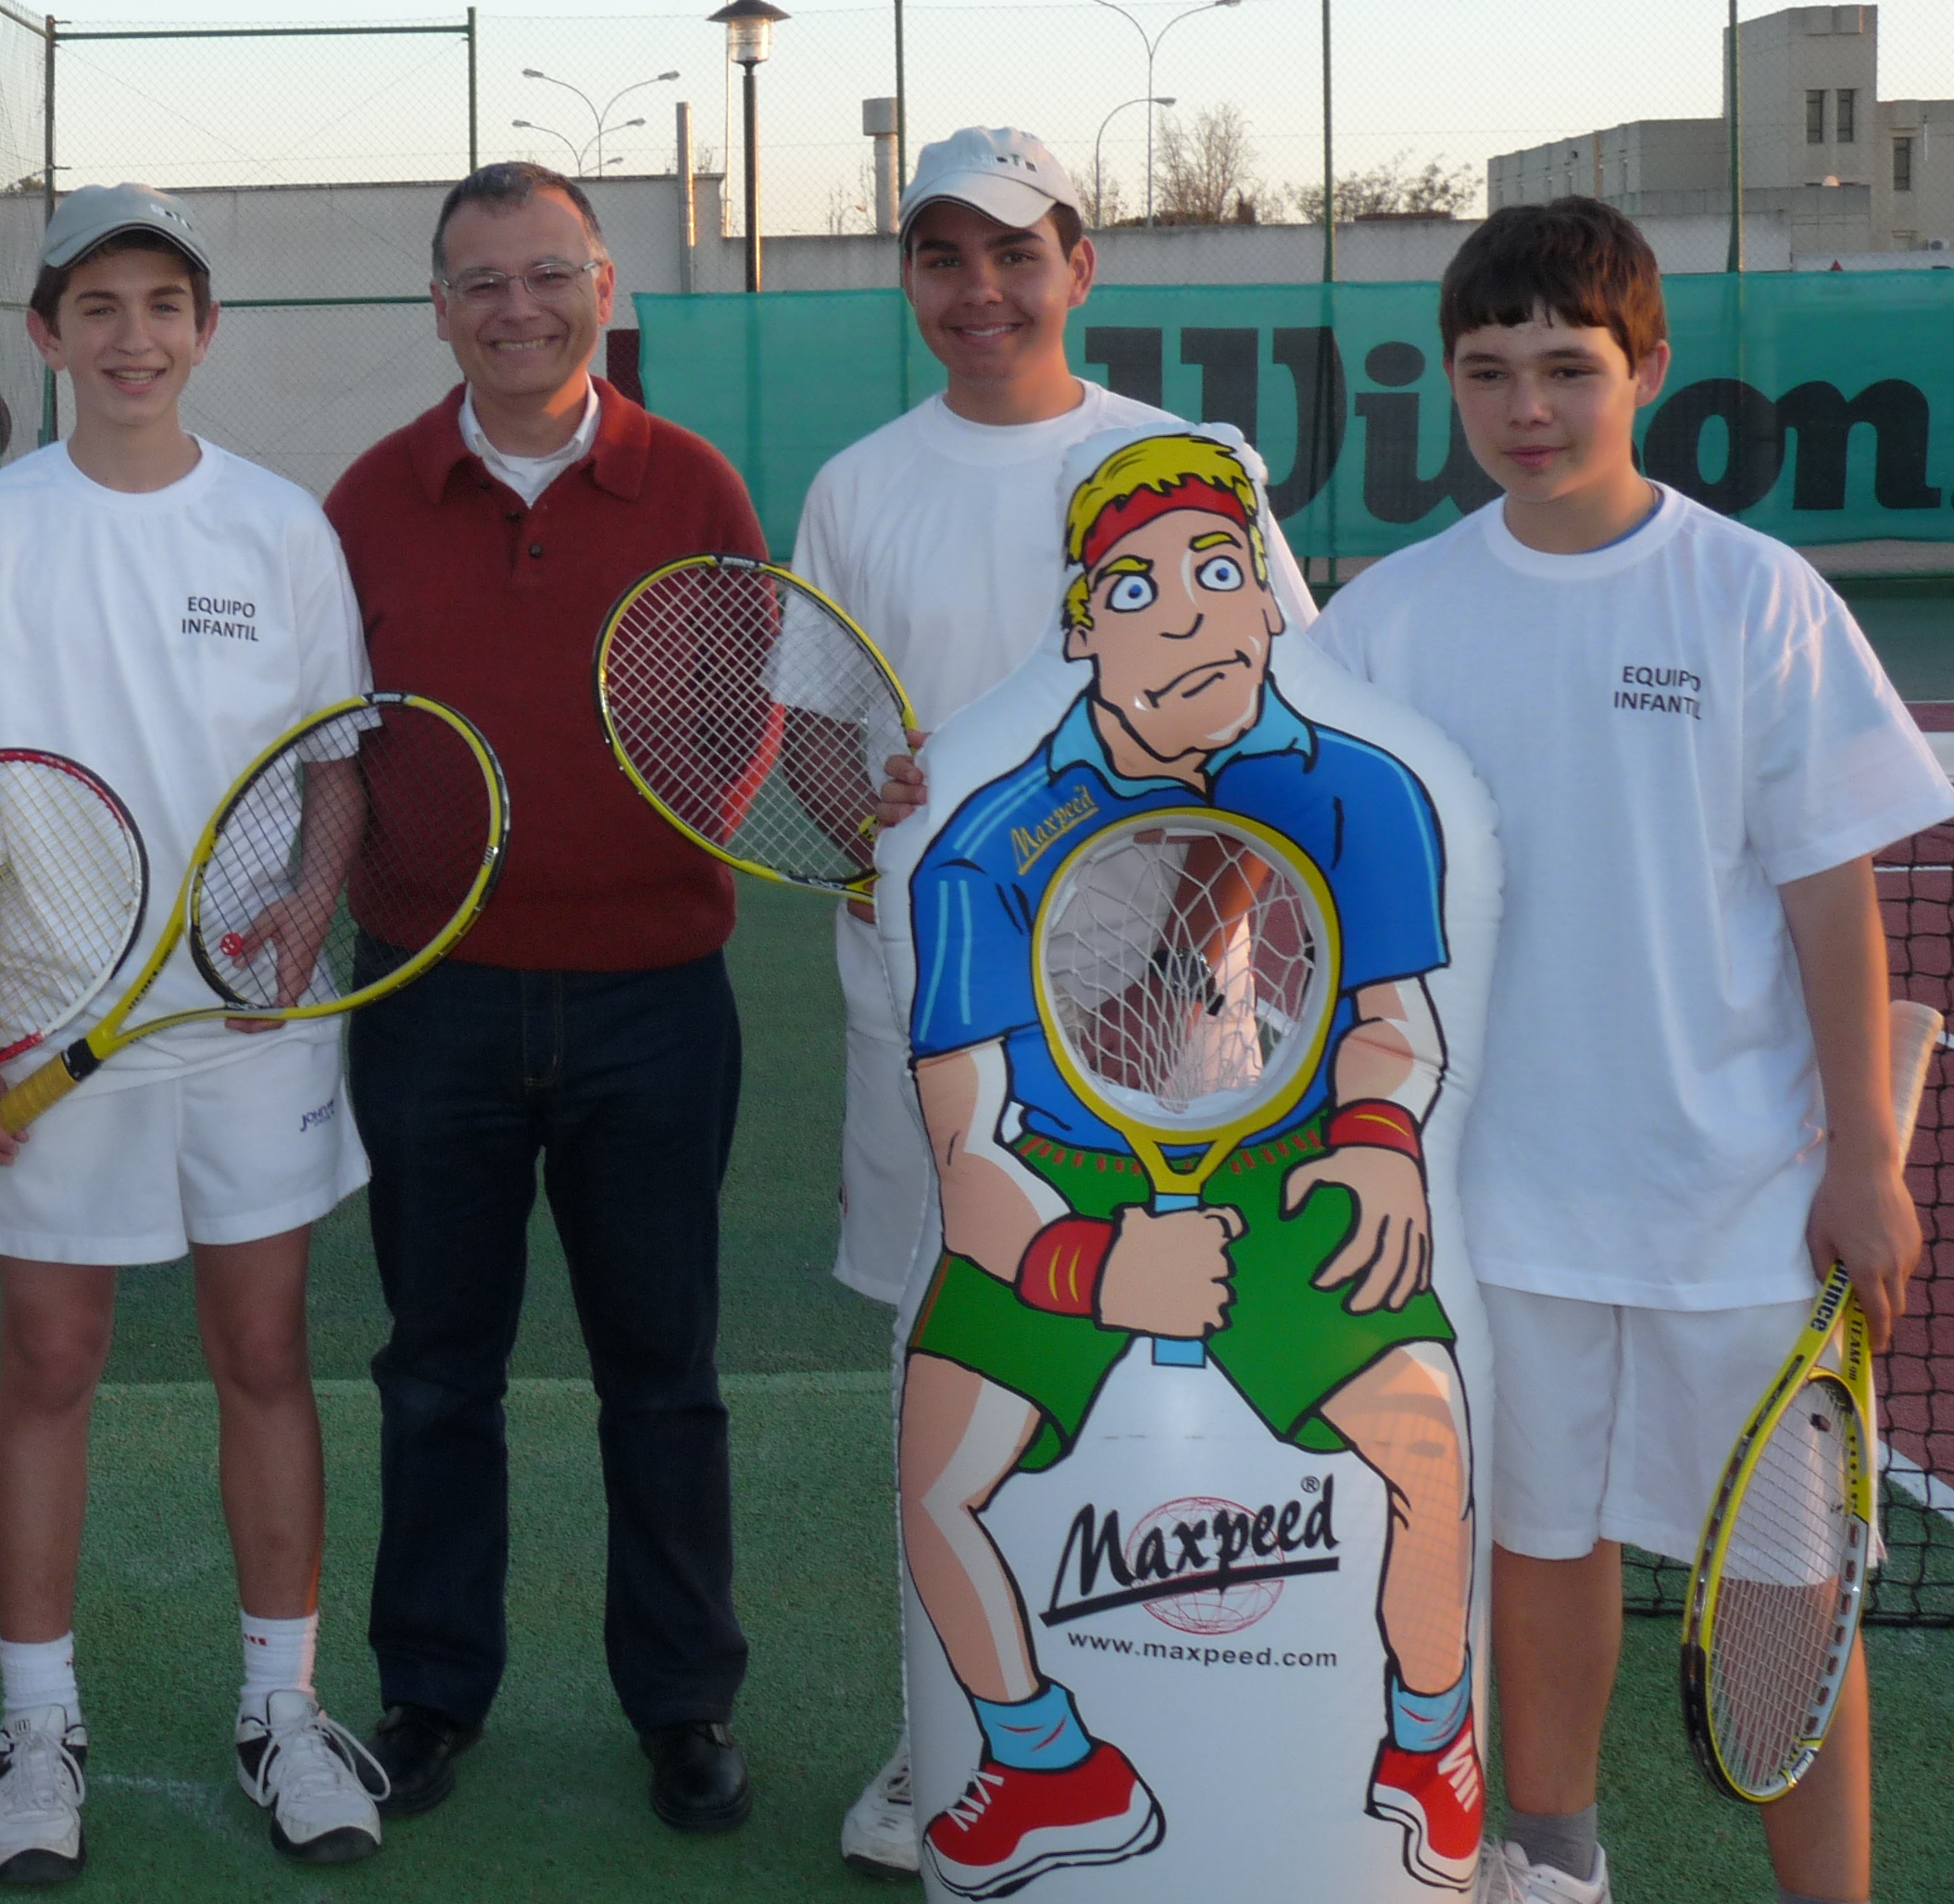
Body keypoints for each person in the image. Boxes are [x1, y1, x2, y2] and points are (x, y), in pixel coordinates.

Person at [1313, 198, 1950, 1904]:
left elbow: (1831, 905)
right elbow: (1290, 833)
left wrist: (1863, 1163)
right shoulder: (1389, 618)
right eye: (1488, 370)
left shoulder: (1755, 597)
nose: (1529, 406)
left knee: (1788, 1594)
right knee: (1536, 1547)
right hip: (1497, 1206)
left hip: (1734, 1210)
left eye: (1569, 368)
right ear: (1450, 383)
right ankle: (1556, 1864)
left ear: (1647, 371)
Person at [788, 125, 1316, 1875]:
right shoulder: (859, 485)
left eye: (1015, 253)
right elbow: (816, 739)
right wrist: (855, 811)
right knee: (957, 1376)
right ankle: (956, 1734)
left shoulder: (1191, 465)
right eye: (944, 257)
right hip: (934, 1032)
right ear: (911, 279)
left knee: (1190, 1378)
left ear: (1080, 267)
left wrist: (1180, 968)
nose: (981, 290)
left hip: (1182, 1038)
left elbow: (1280, 745)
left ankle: (1182, 1711)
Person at [898, 427, 1479, 1897]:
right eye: (1137, 588)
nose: (1190, 616)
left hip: (1291, 1159)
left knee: (1430, 1439)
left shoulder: (1363, 790)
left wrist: (1380, 1146)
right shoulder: (986, 840)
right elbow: (963, 1139)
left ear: (1268, 599)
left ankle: (1428, 1745)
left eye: (1221, 572)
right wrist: (1084, 1265)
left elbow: (1392, 1029)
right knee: (937, 1480)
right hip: (1067, 1182)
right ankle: (1047, 1767)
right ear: (1081, 630)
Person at [0, 183, 389, 1875]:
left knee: (265, 1354)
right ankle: (37, 1729)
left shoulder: (279, 527)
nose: (134, 338)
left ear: (205, 330)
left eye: (164, 306)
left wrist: (306, 914)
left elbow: (335, 766)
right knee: (50, 1366)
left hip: (252, 1028)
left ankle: (283, 1711)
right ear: (49, 334)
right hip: (49, 1036)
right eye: (98, 308)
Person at [321, 160, 768, 1834]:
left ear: (602, 287)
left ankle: (684, 1702)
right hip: (429, 1002)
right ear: (440, 308)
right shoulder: (367, 500)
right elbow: (340, 737)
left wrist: (682, 827)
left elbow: (746, 704)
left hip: (656, 1009)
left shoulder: (695, 485)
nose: (519, 308)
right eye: (482, 282)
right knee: (439, 1373)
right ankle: (432, 1692)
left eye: (547, 274)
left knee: (665, 1370)